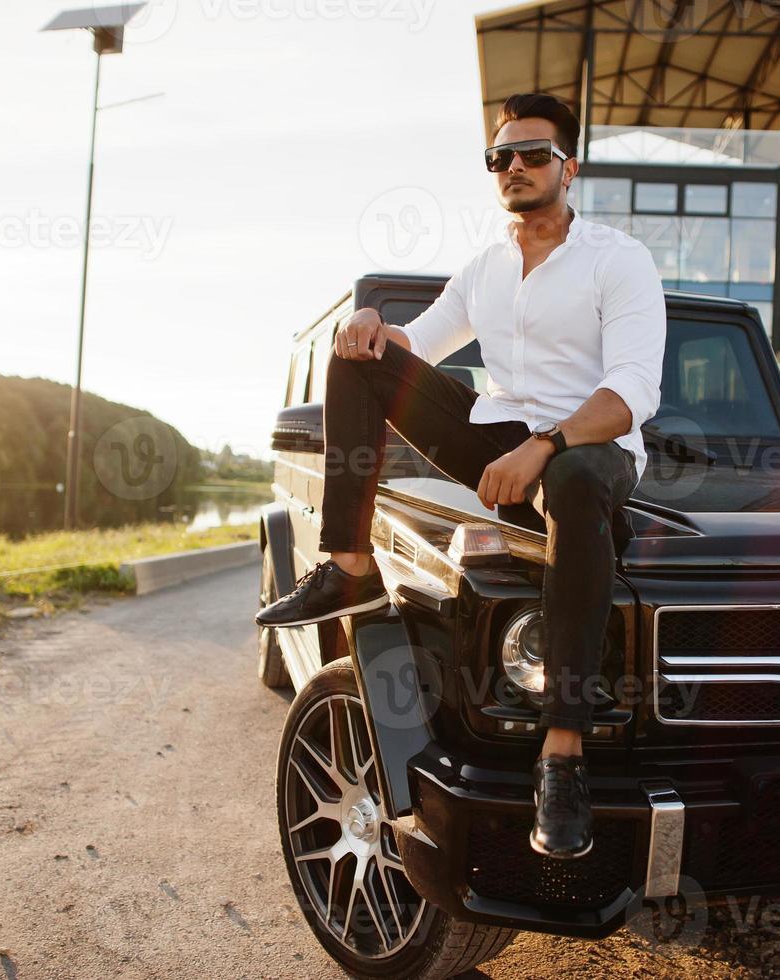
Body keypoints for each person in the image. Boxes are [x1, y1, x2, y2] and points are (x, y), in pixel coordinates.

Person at [256, 92, 666, 859]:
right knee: (359, 353)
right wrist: (375, 326)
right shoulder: (486, 268)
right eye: (499, 157)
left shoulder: (618, 259)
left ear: (567, 167)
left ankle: (562, 757)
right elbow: (422, 341)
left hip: (589, 448)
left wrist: (543, 445)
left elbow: (632, 392)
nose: (513, 166)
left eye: (532, 153)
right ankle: (347, 565)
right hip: (494, 435)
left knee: (575, 481)